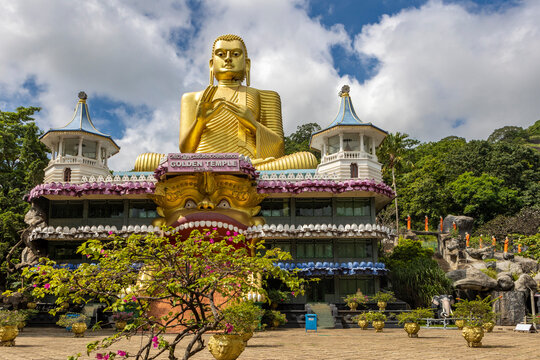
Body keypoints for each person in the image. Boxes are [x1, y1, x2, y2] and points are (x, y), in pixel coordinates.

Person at [135, 34, 317, 171]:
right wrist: (200, 122)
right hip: (198, 164)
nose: (228, 58)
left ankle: (237, 168)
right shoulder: (192, 98)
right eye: (221, 54)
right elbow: (186, 150)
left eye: (235, 54)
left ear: (247, 64)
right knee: (144, 161)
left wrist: (252, 124)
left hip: (250, 165)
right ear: (211, 64)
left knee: (307, 160)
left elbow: (277, 150)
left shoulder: (266, 96)